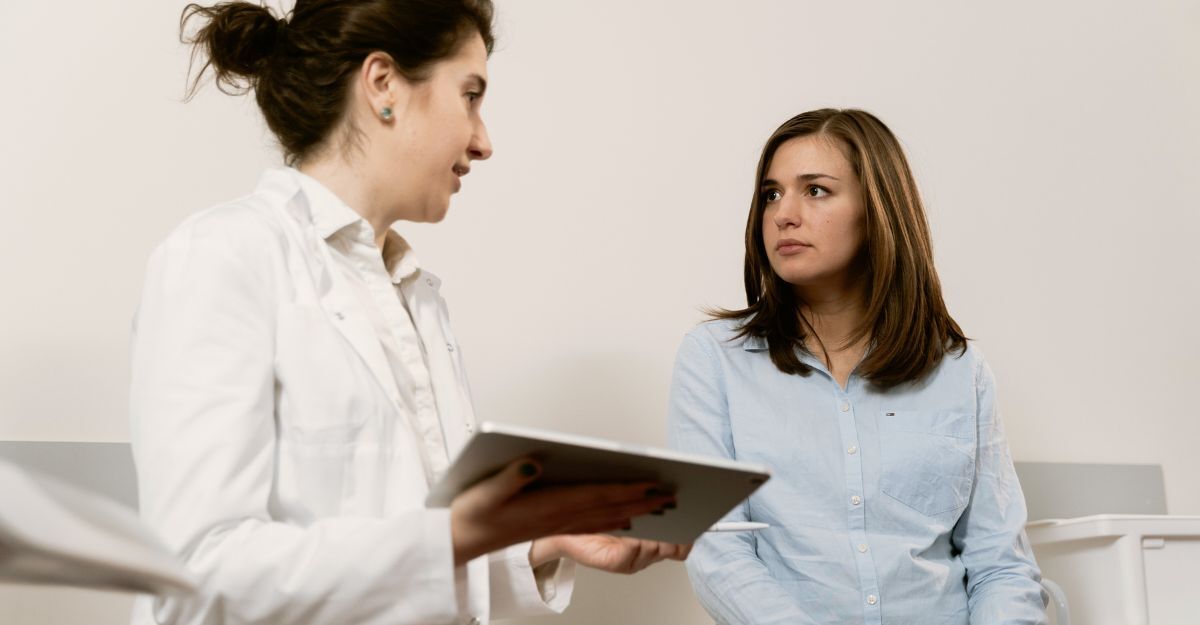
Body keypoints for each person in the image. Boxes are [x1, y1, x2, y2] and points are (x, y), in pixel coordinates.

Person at [130, 2, 688, 624]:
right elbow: (200, 572)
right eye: (470, 95)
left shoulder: (413, 294)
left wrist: (542, 539)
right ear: (384, 85)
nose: (483, 141)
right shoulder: (221, 257)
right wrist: (456, 533)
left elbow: (413, 567)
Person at [666, 108, 1047, 624]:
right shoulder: (714, 359)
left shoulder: (959, 371)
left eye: (815, 190)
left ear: (878, 210)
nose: (783, 214)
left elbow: (1000, 565)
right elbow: (718, 552)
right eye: (772, 193)